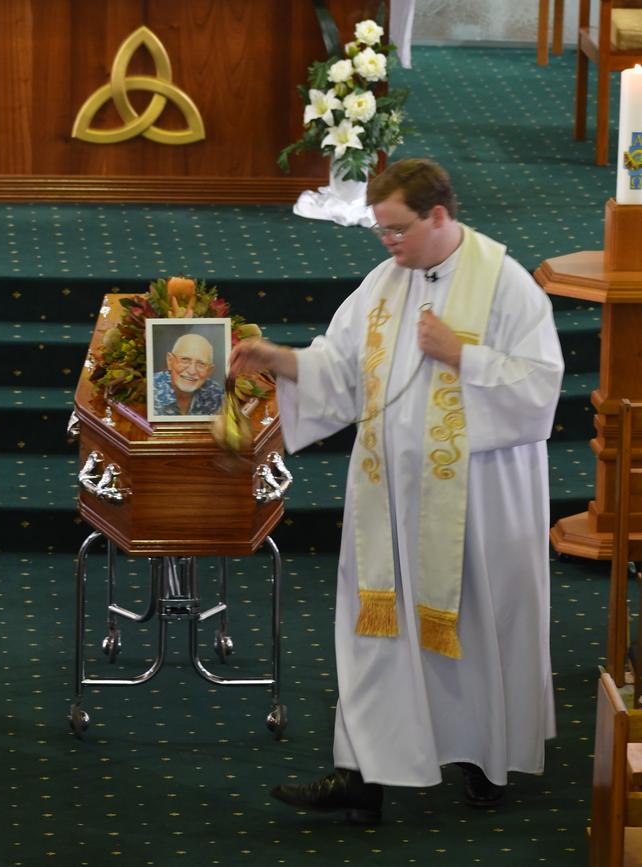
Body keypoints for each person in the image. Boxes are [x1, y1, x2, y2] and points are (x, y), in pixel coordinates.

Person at [229, 158, 564, 824]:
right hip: (386, 498)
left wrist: (462, 354)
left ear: (439, 215)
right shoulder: (386, 283)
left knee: (471, 629)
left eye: (396, 229)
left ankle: (483, 760)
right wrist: (278, 359)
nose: (387, 243)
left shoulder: (507, 284)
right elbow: (339, 370)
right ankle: (362, 773)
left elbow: (540, 390)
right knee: (374, 629)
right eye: (380, 230)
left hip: (476, 508)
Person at [153, 332, 224, 416]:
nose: (192, 371)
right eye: (185, 360)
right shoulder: (150, 389)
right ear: (170, 361)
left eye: (201, 364)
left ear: (209, 371)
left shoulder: (217, 394)